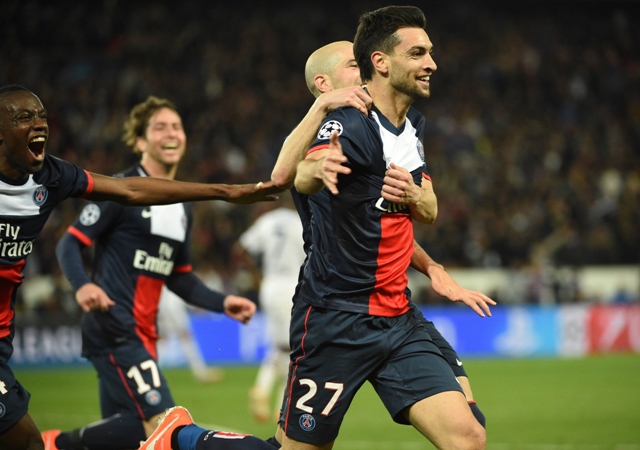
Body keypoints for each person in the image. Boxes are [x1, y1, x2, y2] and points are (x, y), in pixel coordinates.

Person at [0, 84, 277, 450]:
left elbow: (179, 276)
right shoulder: (114, 194)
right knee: (164, 426)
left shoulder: (179, 208)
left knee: (131, 433)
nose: (171, 133)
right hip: (115, 328)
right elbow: (72, 240)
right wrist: (82, 284)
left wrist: (220, 302)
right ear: (141, 141)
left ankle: (60, 443)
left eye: (177, 126)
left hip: (143, 334)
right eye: (160, 127)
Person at [286, 6, 487, 449]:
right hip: (338, 319)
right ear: (381, 62)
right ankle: (187, 440)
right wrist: (320, 169)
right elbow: (301, 173)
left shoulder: (411, 127)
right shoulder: (349, 123)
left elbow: (428, 210)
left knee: (469, 436)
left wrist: (416, 205)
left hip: (397, 318)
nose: (432, 63)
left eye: (430, 53)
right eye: (418, 53)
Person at [233, 192, 305, 423]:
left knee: (281, 346)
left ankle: (267, 393)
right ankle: (276, 400)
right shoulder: (303, 222)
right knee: (293, 348)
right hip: (293, 286)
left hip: (270, 286)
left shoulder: (267, 220)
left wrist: (257, 277)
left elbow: (240, 249)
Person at [157, 286, 224, 384]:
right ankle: (200, 371)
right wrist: (179, 323)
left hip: (163, 311)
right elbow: (172, 304)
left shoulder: (163, 284)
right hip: (173, 313)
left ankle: (152, 370)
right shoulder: (172, 281)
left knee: (163, 342)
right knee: (186, 341)